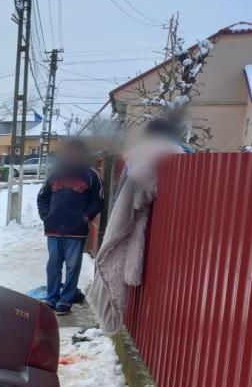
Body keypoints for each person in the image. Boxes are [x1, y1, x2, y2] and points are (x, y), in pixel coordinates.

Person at [87, 119, 187, 333]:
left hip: (160, 239)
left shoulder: (144, 160)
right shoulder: (179, 158)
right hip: (170, 241)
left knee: (109, 257)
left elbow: (128, 204)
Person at [36, 138, 104, 315]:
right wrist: (46, 216)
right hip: (53, 229)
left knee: (73, 267)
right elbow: (42, 197)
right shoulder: (56, 173)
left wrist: (85, 217)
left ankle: (65, 301)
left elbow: (97, 201)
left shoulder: (90, 175)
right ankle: (52, 298)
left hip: (76, 231)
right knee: (53, 266)